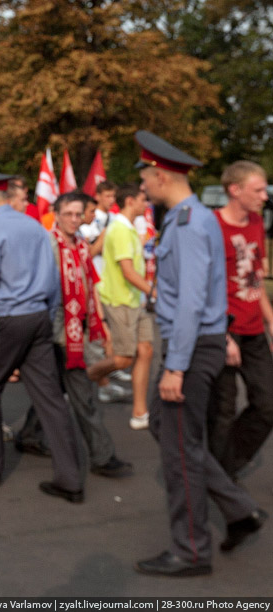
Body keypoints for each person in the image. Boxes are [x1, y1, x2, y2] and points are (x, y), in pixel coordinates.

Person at [131, 131, 266, 577]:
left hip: (190, 348)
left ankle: (191, 550)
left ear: (161, 174)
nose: (142, 186)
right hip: (200, 343)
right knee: (172, 435)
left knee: (180, 454)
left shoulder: (189, 223)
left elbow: (190, 301)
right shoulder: (194, 218)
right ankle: (239, 508)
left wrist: (175, 366)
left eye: (145, 177)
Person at [0, 168, 84, 503]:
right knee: (49, 398)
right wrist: (47, 315)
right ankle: (70, 477)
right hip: (38, 316)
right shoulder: (34, 225)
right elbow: (52, 278)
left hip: (9, 318)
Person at [13, 192, 133, 477]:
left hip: (74, 329)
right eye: (68, 214)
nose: (73, 220)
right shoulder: (47, 243)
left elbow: (90, 285)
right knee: (80, 393)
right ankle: (101, 457)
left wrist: (101, 326)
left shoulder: (81, 245)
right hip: (53, 330)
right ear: (56, 213)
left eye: (78, 214)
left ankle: (30, 435)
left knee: (57, 390)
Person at [207, 161, 273, 478]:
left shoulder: (257, 222)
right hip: (224, 330)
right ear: (235, 190)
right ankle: (221, 478)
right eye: (258, 189)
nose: (265, 195)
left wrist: (271, 318)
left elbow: (255, 276)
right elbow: (205, 287)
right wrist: (223, 335)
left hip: (254, 330)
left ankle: (225, 465)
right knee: (222, 410)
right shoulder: (212, 226)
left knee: (267, 404)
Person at [86, 183, 155, 428]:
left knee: (146, 351)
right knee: (124, 359)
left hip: (135, 300)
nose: (146, 204)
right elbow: (127, 271)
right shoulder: (120, 230)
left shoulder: (127, 228)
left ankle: (139, 412)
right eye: (142, 200)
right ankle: (80, 380)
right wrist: (154, 291)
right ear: (130, 202)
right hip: (120, 300)